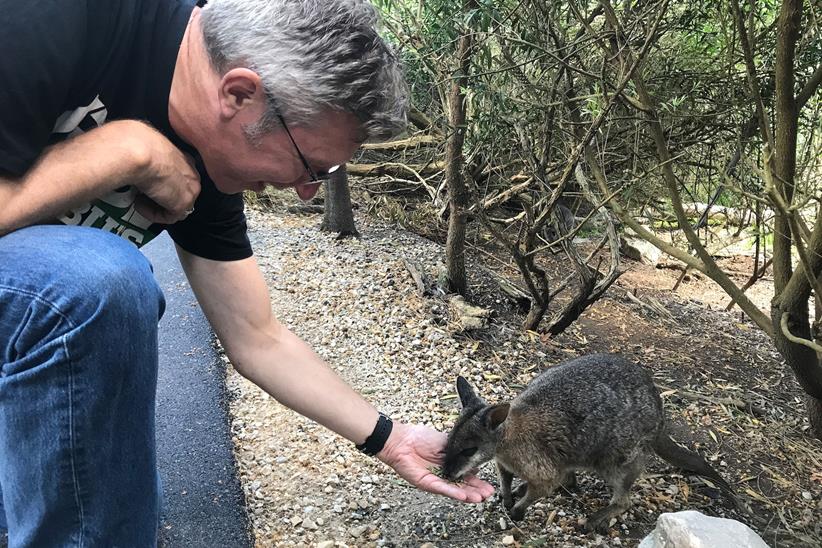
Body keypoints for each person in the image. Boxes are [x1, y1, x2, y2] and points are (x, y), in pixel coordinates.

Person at [0, 0, 494, 545]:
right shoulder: (54, 18)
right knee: (93, 284)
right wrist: (126, 150)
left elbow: (258, 336)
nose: (308, 191)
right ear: (238, 94)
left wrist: (389, 437)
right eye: (312, 167)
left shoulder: (212, 159)